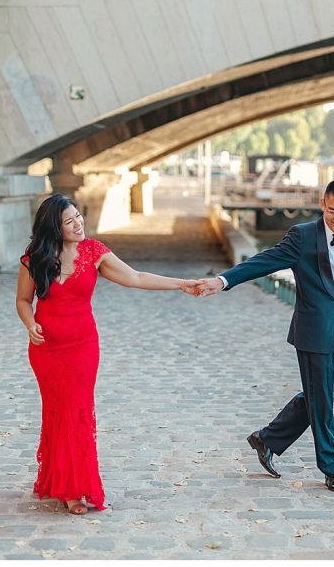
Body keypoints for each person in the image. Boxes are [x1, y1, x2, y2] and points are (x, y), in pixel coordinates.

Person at [15, 194, 199, 515]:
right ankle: (59, 480)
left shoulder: (94, 252)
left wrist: (180, 283)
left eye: (78, 216)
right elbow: (22, 301)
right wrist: (30, 324)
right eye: (69, 221)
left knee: (77, 411)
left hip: (83, 347)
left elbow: (136, 277)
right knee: (58, 412)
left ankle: (74, 489)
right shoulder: (35, 258)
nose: (78, 224)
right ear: (53, 228)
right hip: (46, 351)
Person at [194, 179, 334, 494]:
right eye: (332, 211)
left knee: (317, 397)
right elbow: (263, 262)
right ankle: (333, 469)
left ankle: (267, 439)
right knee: (323, 403)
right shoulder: (303, 237)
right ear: (322, 204)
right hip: (313, 333)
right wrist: (223, 280)